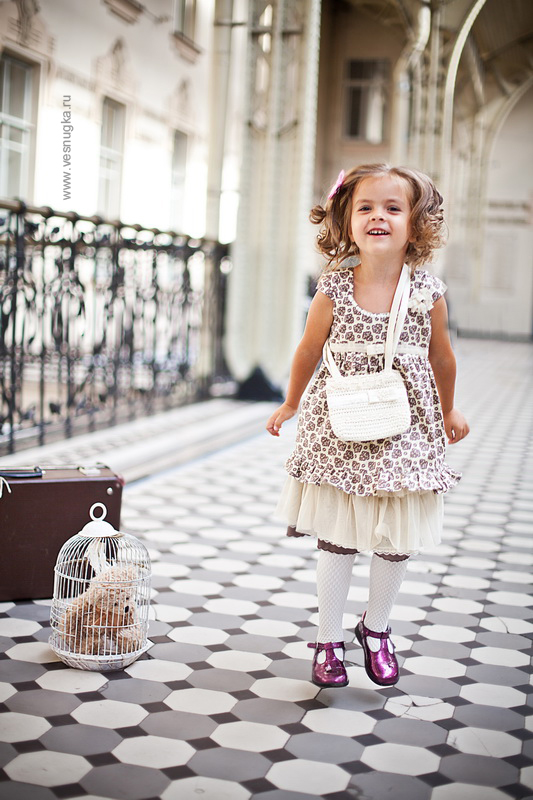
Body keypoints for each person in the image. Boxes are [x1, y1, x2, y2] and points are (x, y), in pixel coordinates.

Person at [266, 163, 469, 689]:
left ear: (416, 224)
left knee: (395, 532)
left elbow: (441, 357)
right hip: (339, 424)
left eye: (393, 208)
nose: (379, 216)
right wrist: (290, 403)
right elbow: (309, 349)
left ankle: (376, 629)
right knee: (337, 533)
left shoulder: (427, 292)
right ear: (348, 221)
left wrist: (449, 410)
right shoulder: (333, 288)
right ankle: (328, 637)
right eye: (366, 207)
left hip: (407, 426)